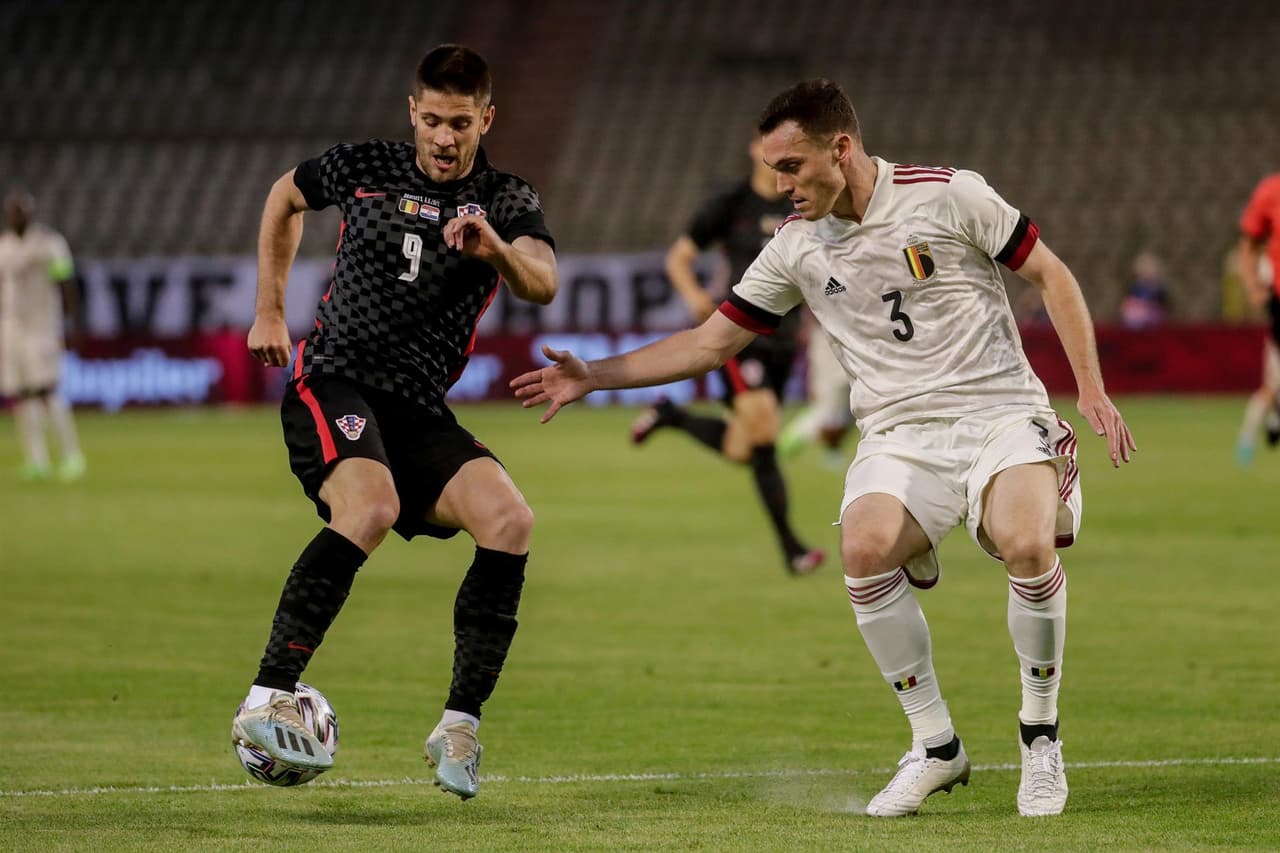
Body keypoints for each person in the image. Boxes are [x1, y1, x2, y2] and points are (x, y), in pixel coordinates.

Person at [512, 79, 1135, 818]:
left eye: (792, 166)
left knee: (1028, 541)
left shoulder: (949, 195)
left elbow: (1051, 274)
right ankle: (936, 746)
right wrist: (599, 375)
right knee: (864, 549)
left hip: (999, 411)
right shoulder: (795, 248)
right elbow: (711, 342)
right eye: (774, 169)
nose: (781, 185)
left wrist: (1090, 389)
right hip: (900, 434)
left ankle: (1039, 736)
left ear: (841, 148)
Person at [231, 44, 557, 801]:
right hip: (336, 380)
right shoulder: (362, 166)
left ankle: (461, 726)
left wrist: (496, 250)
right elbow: (285, 196)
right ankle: (265, 696)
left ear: (487, 119)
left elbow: (542, 280)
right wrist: (270, 308)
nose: (446, 138)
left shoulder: (505, 198)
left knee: (510, 519)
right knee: (370, 505)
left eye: (462, 123)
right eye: (434, 120)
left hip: (416, 408)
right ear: (414, 111)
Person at [632, 140, 823, 575]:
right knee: (764, 435)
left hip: (783, 342)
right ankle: (792, 548)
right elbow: (678, 259)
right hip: (741, 336)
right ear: (755, 147)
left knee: (744, 447)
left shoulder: (804, 201)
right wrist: (696, 297)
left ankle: (672, 415)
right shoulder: (731, 204)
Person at [0, 191, 85, 482]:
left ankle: (71, 455)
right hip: (11, 327)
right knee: (21, 395)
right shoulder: (4, 247)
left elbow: (66, 281)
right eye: (12, 211)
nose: (16, 216)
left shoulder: (49, 244)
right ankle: (36, 459)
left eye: (20, 211)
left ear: (30, 213)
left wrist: (73, 324)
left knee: (47, 390)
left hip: (42, 326)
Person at [1234, 171, 1280, 465]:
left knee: (1272, 386)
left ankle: (1274, 419)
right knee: (1272, 385)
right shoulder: (1271, 191)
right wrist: (1252, 286)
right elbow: (1248, 244)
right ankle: (1252, 438)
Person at [778, 310, 854, 468]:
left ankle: (833, 450)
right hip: (827, 337)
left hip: (854, 334)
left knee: (853, 406)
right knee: (828, 407)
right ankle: (786, 443)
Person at [1119, 250, 1169, 329]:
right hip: (1137, 313)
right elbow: (1129, 299)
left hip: (1153, 312)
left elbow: (1163, 302)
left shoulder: (1158, 287)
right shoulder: (1134, 285)